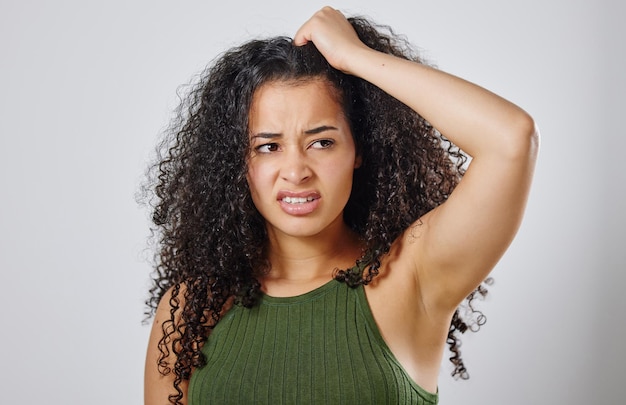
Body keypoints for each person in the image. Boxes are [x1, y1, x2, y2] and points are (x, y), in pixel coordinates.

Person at [143, 6, 538, 405]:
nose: (296, 171)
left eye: (322, 142)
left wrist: (355, 57)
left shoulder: (411, 275)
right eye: (268, 147)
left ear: (358, 150)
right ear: (238, 164)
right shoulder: (190, 311)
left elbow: (510, 139)